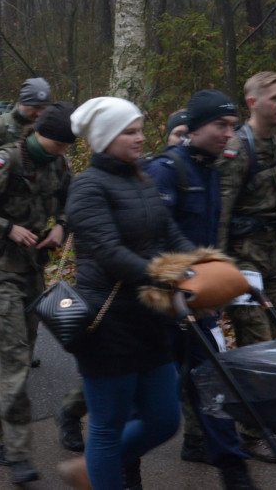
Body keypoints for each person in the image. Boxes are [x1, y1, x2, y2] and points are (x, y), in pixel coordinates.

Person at [65, 96, 194, 489]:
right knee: (107, 428)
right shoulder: (88, 186)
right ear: (106, 138)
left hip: (147, 321)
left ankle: (91, 468)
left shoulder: (142, 179)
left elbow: (168, 233)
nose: (140, 138)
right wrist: (167, 277)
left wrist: (202, 265)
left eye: (140, 129)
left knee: (163, 420)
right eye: (130, 131)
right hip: (107, 324)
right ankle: (99, 470)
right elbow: (109, 253)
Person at [0, 101, 75, 485]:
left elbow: (70, 202)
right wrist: (6, 228)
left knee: (12, 360)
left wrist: (62, 227)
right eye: (61, 144)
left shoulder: (59, 165)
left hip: (33, 272)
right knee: (15, 363)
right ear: (45, 136)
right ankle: (19, 453)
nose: (65, 151)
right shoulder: (6, 162)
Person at [144, 90, 256, 490]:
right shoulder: (165, 171)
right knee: (151, 399)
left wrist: (215, 288)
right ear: (195, 127)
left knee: (213, 385)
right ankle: (122, 466)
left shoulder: (213, 171)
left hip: (200, 305)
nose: (229, 133)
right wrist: (185, 290)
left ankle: (233, 470)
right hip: (163, 307)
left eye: (232, 126)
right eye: (220, 125)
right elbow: (153, 244)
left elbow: (207, 241)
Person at [216, 71, 276, 462]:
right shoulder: (236, 150)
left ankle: (263, 419)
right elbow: (221, 212)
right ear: (253, 103)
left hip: (273, 262)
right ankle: (250, 433)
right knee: (257, 348)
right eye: (275, 99)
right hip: (243, 261)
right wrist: (217, 269)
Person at [0, 77, 54, 149]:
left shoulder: (46, 128)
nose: (39, 113)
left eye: (44, 108)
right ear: (23, 103)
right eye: (36, 107)